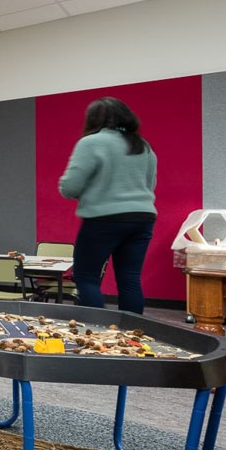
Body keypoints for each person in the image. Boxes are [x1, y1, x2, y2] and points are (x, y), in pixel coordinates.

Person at [58, 97, 157, 313]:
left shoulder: (91, 142)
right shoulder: (143, 146)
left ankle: (96, 332)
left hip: (104, 219)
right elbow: (150, 185)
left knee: (86, 277)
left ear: (93, 119)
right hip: (143, 218)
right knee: (130, 279)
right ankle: (132, 337)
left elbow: (70, 188)